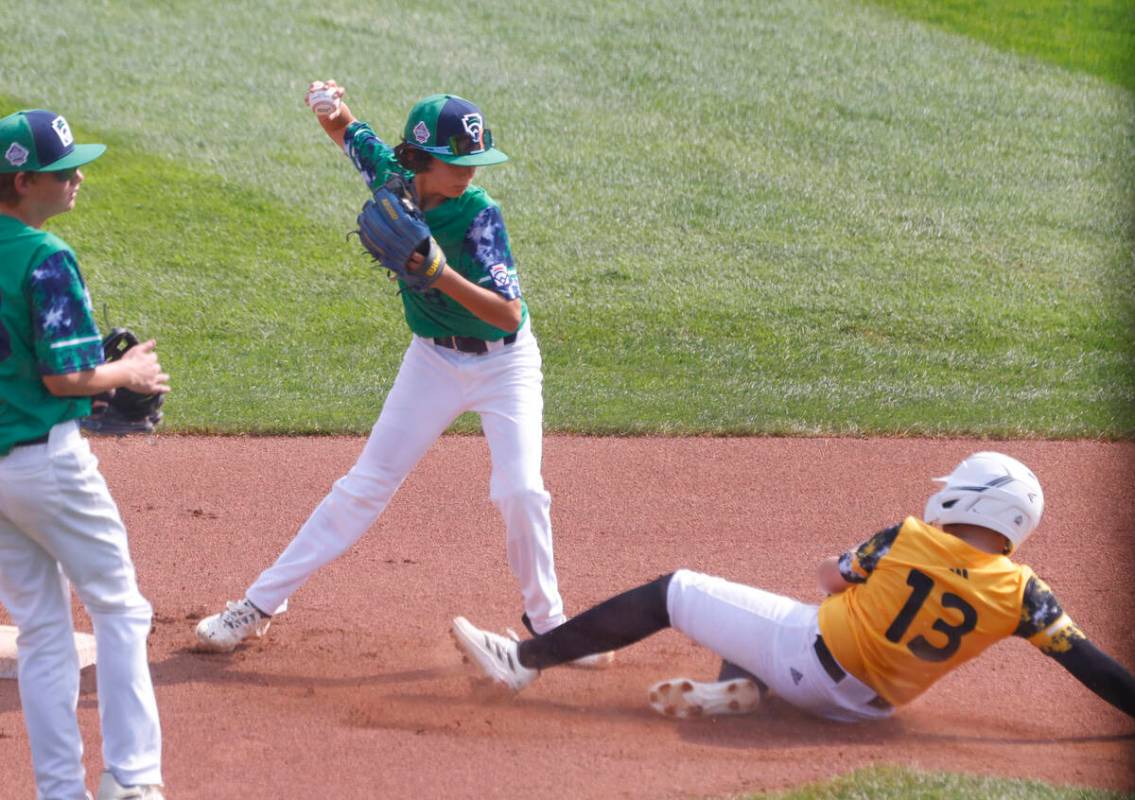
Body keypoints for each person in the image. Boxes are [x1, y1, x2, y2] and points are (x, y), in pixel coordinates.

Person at [195, 81, 611, 668]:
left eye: (476, 160)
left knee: (521, 491)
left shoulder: (480, 215)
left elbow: (508, 313)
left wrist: (439, 274)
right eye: (456, 161)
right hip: (434, 361)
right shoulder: (391, 177)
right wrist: (327, 101)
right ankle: (258, 606)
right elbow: (346, 129)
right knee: (363, 487)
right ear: (419, 160)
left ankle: (551, 627)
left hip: (505, 363)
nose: (468, 172)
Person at [452, 452, 1135, 723]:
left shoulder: (908, 537)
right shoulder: (1025, 595)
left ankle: (523, 661)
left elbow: (828, 578)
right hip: (865, 712)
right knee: (765, 623)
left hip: (807, 659)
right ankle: (740, 691)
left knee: (677, 591)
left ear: (968, 498)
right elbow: (1092, 666)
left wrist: (851, 577)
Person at [0, 110, 170, 800]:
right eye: (62, 171)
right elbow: (64, 379)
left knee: (42, 631)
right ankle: (132, 783)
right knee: (120, 611)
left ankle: (60, 793)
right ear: (21, 180)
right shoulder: (44, 258)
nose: (77, 179)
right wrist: (125, 375)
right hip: (49, 467)